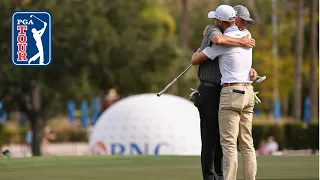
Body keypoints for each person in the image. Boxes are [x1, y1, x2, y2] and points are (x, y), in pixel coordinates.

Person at [191, 5, 257, 180]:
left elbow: (195, 59)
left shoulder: (222, 41)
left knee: (227, 144)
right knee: (247, 144)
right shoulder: (247, 36)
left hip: (230, 92)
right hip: (248, 92)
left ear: (220, 20)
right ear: (235, 19)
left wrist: (200, 48)